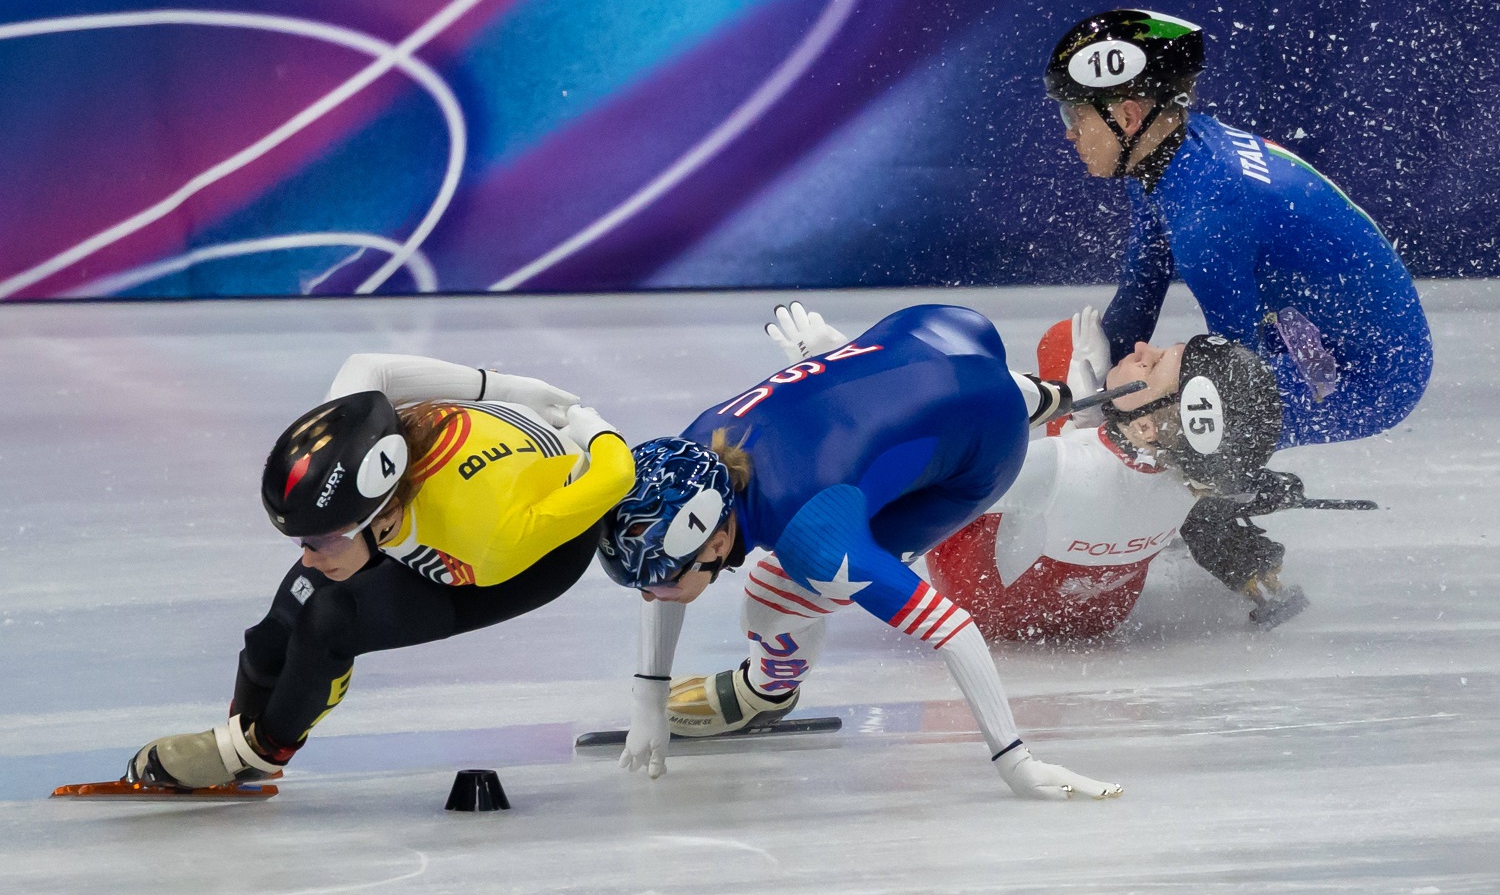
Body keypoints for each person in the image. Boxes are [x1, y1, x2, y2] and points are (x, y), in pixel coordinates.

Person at [597, 302, 1123, 801]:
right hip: (934, 334)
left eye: (661, 581)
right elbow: (660, 559)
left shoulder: (815, 536)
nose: (650, 593)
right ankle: (1043, 396)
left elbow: (953, 630)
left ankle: (766, 692)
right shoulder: (686, 455)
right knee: (970, 403)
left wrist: (1015, 761)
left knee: (769, 599)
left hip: (984, 456)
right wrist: (649, 698)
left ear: (716, 544)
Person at [1043, 8, 1430, 605]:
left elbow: (1236, 392)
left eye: (1074, 115)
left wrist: (1155, 451)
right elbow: (1139, 294)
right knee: (1130, 396)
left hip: (1368, 374)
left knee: (1177, 433)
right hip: (1310, 330)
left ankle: (1244, 560)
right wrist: (1085, 393)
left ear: (1128, 115)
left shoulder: (1208, 212)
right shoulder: (1165, 156)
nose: (1068, 133)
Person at [126, 354, 634, 790]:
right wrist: (501, 387)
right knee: (273, 634)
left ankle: (261, 752)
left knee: (330, 620)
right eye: (302, 540)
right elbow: (369, 367)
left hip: (535, 554)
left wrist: (592, 426)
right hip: (442, 497)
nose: (308, 556)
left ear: (384, 518)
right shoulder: (355, 431)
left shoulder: (488, 538)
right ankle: (244, 736)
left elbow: (617, 474)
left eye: (321, 540)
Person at [925, 306, 1311, 639]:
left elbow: (931, 493)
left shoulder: (1058, 463)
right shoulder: (1200, 479)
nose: (1142, 348)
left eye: (1152, 365)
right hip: (1103, 614)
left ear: (1146, 428)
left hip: (984, 606)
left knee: (1055, 345)